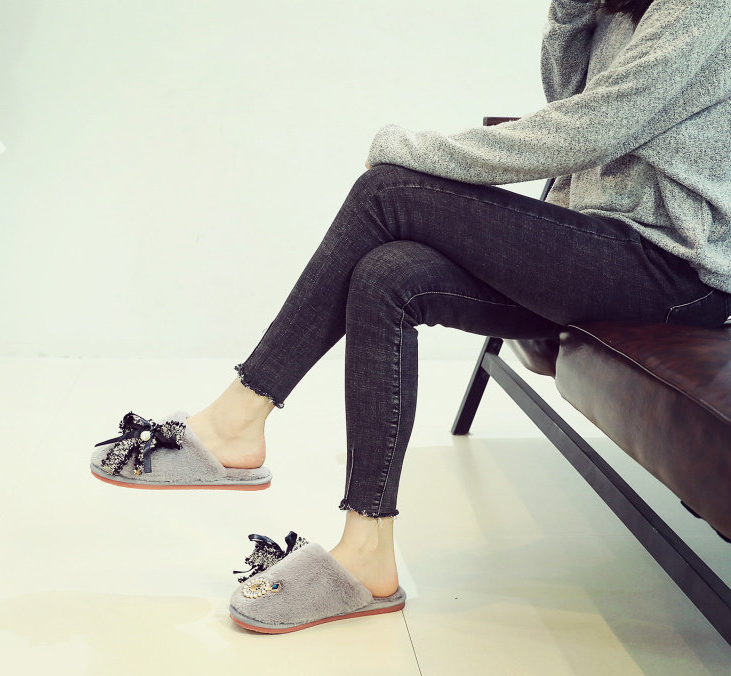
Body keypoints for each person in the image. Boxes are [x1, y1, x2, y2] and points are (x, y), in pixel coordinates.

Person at [90, 0, 731, 633]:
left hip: (670, 269)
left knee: (387, 189)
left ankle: (236, 420)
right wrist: (571, 11)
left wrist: (415, 149)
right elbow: (571, 97)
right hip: (594, 249)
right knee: (387, 274)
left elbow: (590, 128)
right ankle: (367, 551)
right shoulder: (625, 8)